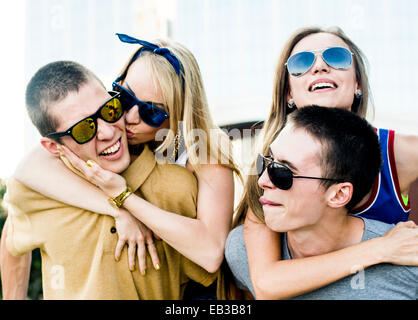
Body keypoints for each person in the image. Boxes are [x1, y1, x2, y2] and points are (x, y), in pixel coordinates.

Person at [11, 34, 241, 299]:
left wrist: (126, 198)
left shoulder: (205, 148)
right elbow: (27, 170)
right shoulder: (96, 132)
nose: (129, 118)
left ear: (181, 113)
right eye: (124, 98)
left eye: (151, 111)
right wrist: (118, 211)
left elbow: (211, 252)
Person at [225, 26, 418, 299]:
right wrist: (380, 249)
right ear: (288, 93)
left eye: (336, 57)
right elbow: (267, 282)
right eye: (301, 63)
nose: (319, 67)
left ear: (358, 83)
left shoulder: (397, 152)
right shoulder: (272, 168)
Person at [227, 105, 417, 299]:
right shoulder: (241, 252)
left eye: (282, 172)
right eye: (266, 163)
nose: (262, 181)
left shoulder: (408, 260)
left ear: (338, 195)